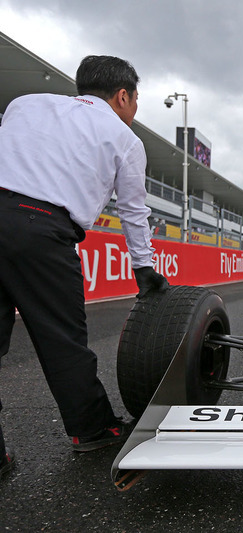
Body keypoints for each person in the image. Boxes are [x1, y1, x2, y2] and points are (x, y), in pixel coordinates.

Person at [0, 55, 169, 472]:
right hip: (39, 230)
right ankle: (91, 430)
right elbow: (133, 211)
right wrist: (144, 268)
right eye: (135, 100)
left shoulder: (25, 104)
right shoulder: (126, 139)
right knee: (62, 340)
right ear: (124, 95)